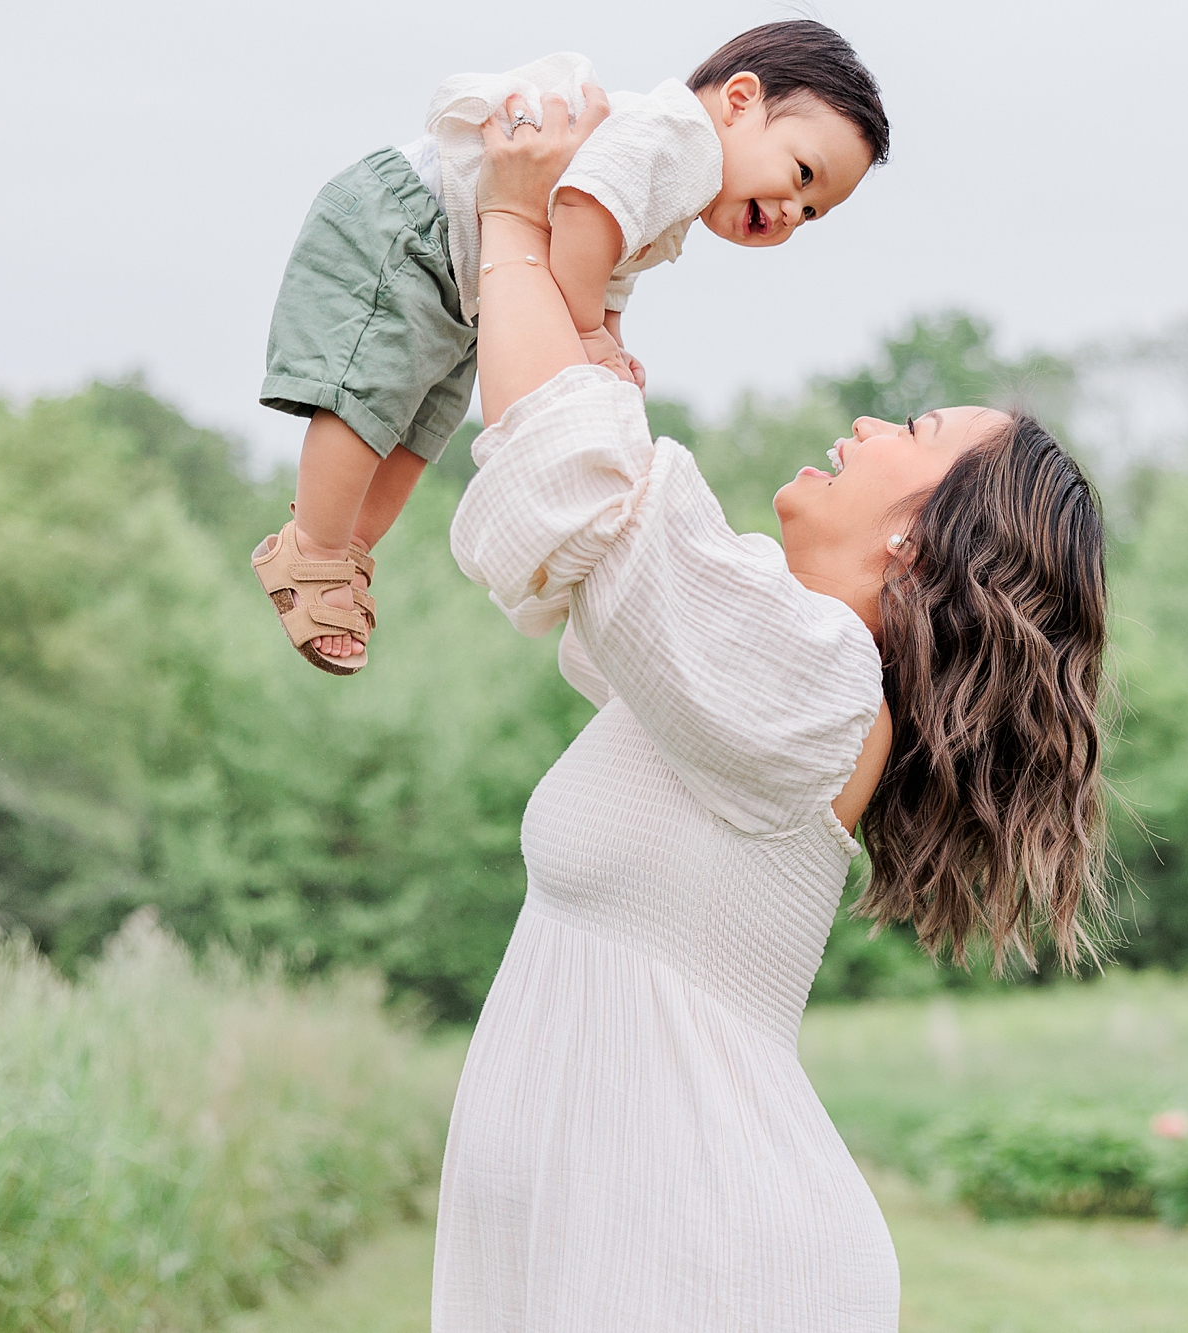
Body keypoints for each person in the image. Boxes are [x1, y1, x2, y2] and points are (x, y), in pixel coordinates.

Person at [431, 91, 1113, 1330]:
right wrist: (586, 265)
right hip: (628, 1237)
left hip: (695, 1255)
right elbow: (587, 495)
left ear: (922, 534)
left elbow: (568, 460)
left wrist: (513, 220)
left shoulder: (808, 685)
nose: (862, 424)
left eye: (909, 429)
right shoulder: (765, 663)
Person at [249, 21, 889, 675]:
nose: (793, 210)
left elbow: (609, 266)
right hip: (409, 224)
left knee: (421, 424)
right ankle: (314, 551)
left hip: (456, 275)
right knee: (370, 395)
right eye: (802, 173)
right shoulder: (677, 139)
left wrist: (609, 336)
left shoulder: (685, 187)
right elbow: (585, 208)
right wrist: (584, 331)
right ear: (739, 99)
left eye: (812, 212)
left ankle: (349, 544)